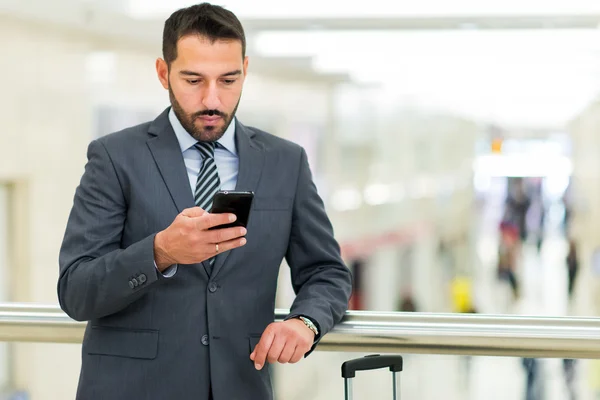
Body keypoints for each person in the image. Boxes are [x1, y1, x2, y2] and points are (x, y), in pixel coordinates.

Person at [57, 4, 352, 400]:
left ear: (245, 69)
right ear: (163, 73)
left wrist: (306, 322)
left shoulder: (286, 162)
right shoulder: (114, 157)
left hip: (242, 385)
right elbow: (76, 290)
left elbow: (326, 272)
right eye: (193, 80)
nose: (212, 99)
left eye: (228, 80)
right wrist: (161, 252)